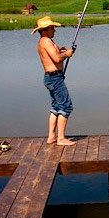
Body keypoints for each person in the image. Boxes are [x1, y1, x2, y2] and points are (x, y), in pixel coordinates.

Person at [32, 16, 76, 146]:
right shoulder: (45, 41)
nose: (55, 30)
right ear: (45, 30)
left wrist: (62, 50)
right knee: (66, 106)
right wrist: (66, 54)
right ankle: (61, 139)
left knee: (56, 107)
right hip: (54, 78)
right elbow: (57, 59)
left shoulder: (46, 41)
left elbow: (55, 55)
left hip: (52, 77)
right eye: (52, 28)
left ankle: (51, 137)